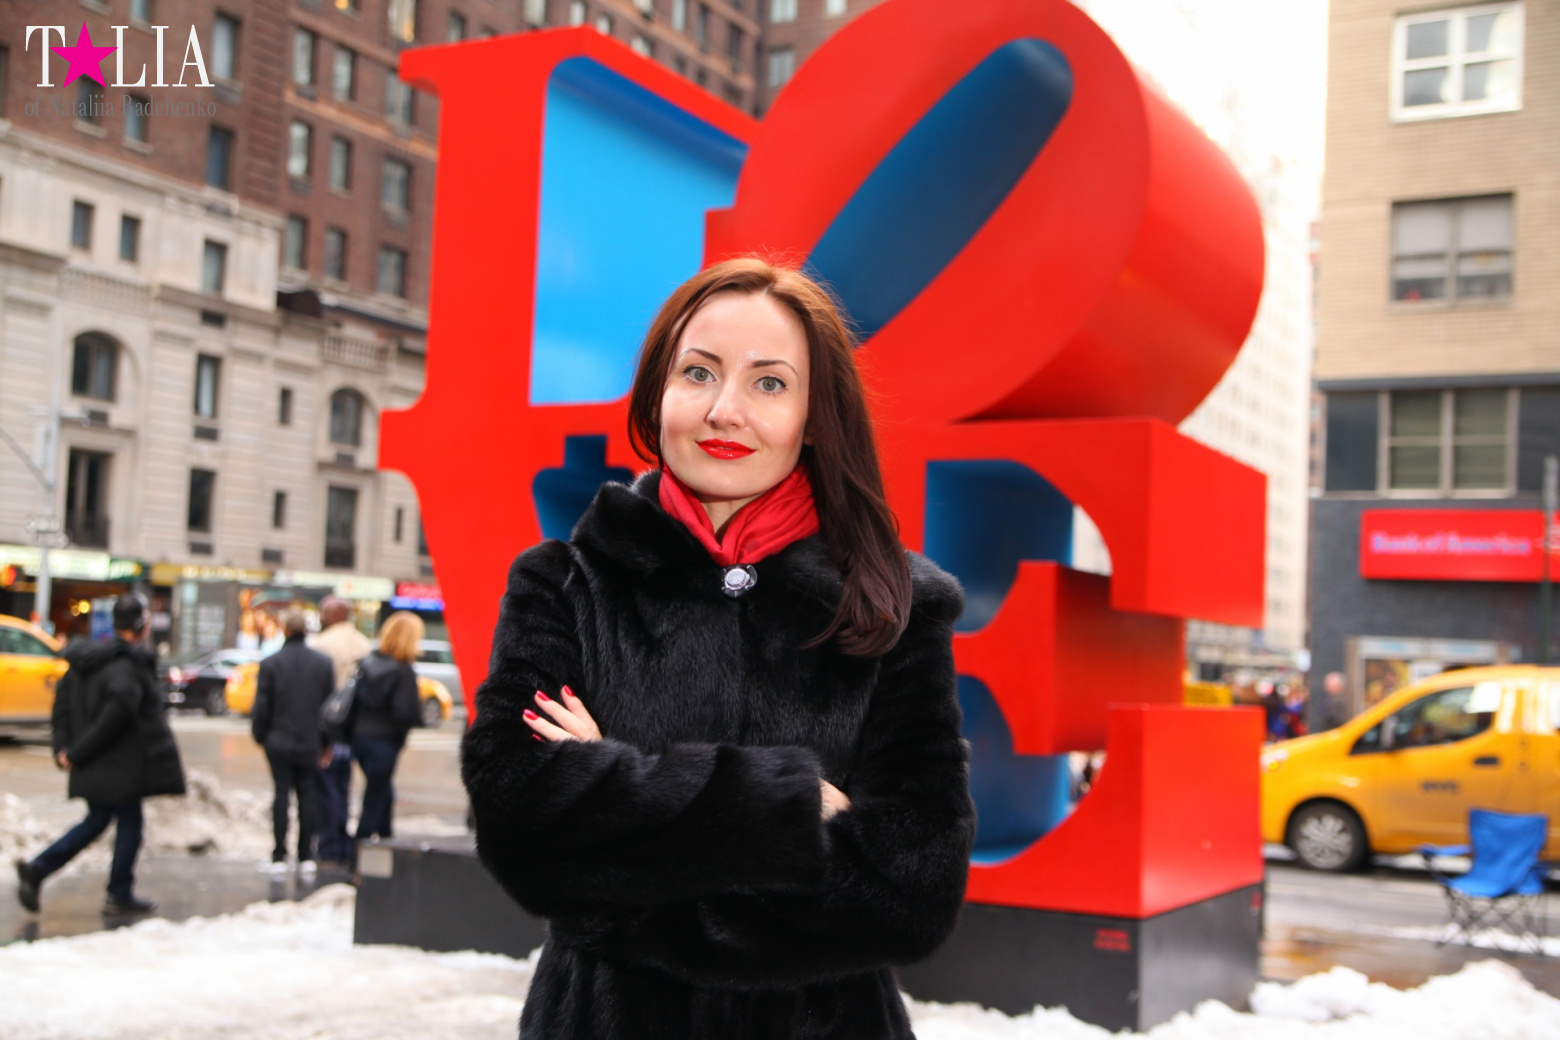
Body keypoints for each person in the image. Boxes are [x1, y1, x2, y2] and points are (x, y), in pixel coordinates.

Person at [463, 258, 975, 1040]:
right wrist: (791, 805)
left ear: (814, 416)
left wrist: (617, 791)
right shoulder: (563, 586)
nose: (724, 410)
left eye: (769, 383)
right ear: (657, 394)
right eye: (698, 373)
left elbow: (914, 890)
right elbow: (523, 831)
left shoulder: (895, 608)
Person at [14, 593, 186, 916]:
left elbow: (62, 707)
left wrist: (63, 748)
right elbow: (116, 716)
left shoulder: (85, 660)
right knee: (127, 823)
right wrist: (76, 752)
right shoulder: (127, 666)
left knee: (98, 820)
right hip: (120, 766)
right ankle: (117, 892)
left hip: (97, 765)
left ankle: (39, 870)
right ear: (139, 626)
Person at [251, 611, 336, 875]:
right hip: (310, 740)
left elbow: (262, 706)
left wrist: (261, 735)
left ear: (285, 630)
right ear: (306, 632)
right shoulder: (323, 663)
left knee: (281, 795)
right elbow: (328, 709)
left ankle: (279, 854)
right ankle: (305, 854)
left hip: (278, 739)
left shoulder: (271, 663)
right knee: (307, 796)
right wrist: (327, 743)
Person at [350, 611, 424, 842]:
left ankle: (385, 837)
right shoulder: (403, 671)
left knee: (383, 791)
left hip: (360, 737)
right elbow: (405, 712)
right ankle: (361, 848)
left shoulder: (369, 662)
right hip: (385, 740)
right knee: (375, 796)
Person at [311, 596, 372, 867]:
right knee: (343, 789)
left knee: (327, 791)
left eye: (324, 611)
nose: (320, 616)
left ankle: (330, 846)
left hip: (329, 727)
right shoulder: (363, 643)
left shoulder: (322, 645)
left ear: (334, 615)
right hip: (354, 729)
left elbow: (317, 692)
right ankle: (344, 843)